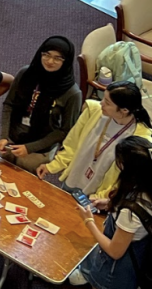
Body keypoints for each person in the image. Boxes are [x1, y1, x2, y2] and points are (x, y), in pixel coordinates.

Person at [56, 136, 152, 289]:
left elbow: (115, 249)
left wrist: (89, 223)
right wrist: (107, 205)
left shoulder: (132, 211)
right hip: (128, 266)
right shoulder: (146, 190)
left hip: (116, 268)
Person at [37, 82, 152, 210]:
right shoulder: (93, 111)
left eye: (107, 103)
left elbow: (126, 179)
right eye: (103, 98)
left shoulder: (140, 139)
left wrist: (103, 198)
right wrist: (53, 166)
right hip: (74, 179)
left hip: (98, 198)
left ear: (124, 110)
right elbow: (72, 144)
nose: (101, 103)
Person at [0, 36, 83, 173]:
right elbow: (9, 104)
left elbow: (64, 131)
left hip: (37, 152)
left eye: (57, 58)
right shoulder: (26, 73)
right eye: (46, 54)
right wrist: (4, 136)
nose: (50, 61)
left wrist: (30, 148)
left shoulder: (72, 93)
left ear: (66, 61)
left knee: (23, 186)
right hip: (11, 140)